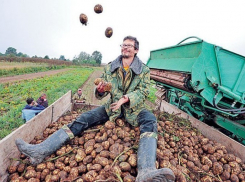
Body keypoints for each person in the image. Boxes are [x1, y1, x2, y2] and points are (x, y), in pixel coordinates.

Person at [15, 36, 175, 182]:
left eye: (129, 46)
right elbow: (101, 94)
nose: (125, 48)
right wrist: (100, 90)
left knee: (150, 120)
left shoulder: (144, 70)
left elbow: (144, 91)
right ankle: (40, 150)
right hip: (112, 108)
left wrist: (125, 99)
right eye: (123, 45)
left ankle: (146, 171)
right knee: (83, 119)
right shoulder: (111, 67)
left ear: (136, 50)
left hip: (135, 109)